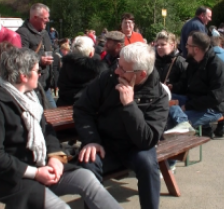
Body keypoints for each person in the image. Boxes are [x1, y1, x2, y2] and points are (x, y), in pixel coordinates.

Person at [0, 47, 122, 209]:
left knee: (86, 177)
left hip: (41, 166)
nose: (40, 75)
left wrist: (56, 158)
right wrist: (35, 173)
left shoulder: (29, 98)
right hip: (13, 178)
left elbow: (47, 131)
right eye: (38, 71)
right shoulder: (3, 103)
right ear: (24, 76)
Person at [73, 42, 169, 209]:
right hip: (105, 143)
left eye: (124, 69)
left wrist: (129, 106)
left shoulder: (158, 96)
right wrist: (91, 140)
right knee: (88, 162)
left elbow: (147, 140)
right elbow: (82, 109)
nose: (117, 70)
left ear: (141, 74)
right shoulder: (108, 78)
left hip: (136, 148)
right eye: (118, 64)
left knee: (147, 163)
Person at [182, 31, 224, 137]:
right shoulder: (193, 62)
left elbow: (215, 98)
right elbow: (186, 85)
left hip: (213, 108)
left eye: (188, 45)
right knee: (168, 101)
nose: (186, 47)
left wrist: (187, 106)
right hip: (195, 100)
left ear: (196, 49)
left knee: (178, 122)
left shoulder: (217, 66)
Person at [16, 3, 56, 108]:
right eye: (45, 18)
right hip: (31, 87)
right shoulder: (22, 33)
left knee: (53, 115)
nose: (47, 21)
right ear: (35, 18)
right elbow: (21, 57)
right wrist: (40, 60)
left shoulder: (44, 33)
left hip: (45, 86)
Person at [56, 36, 103, 106]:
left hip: (66, 105)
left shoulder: (66, 65)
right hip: (89, 109)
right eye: (93, 47)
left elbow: (60, 84)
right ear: (91, 54)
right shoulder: (98, 69)